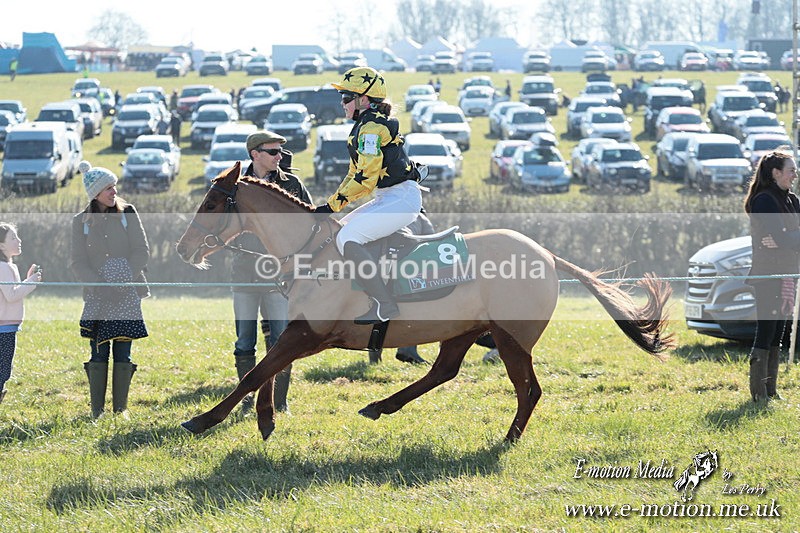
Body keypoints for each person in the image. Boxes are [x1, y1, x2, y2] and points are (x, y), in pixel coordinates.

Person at [313, 66, 424, 325]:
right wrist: (332, 205)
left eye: (346, 98)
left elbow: (365, 179)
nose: (342, 104)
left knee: (348, 237)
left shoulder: (371, 128)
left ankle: (385, 305)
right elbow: (354, 174)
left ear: (364, 100)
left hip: (401, 199)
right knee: (340, 231)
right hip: (390, 198)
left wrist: (331, 206)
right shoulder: (364, 126)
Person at [233, 130, 313, 413]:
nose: (280, 157)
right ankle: (245, 401)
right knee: (245, 342)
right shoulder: (236, 185)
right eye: (273, 152)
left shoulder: (292, 185)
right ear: (255, 154)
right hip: (244, 274)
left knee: (282, 341)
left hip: (281, 277)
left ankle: (280, 403)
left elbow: (311, 224)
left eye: (281, 151)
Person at [71, 161, 150, 418]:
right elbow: (78, 262)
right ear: (95, 193)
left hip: (127, 292)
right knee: (98, 351)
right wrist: (98, 286)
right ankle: (97, 411)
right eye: (108, 188)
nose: (114, 191)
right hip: (98, 297)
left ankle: (120, 410)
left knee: (123, 351)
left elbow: (142, 251)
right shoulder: (80, 222)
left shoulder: (128, 213)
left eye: (114, 186)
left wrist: (124, 280)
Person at [743, 150, 799, 402]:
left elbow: (787, 239)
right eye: (791, 170)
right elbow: (780, 237)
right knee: (766, 329)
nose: (795, 175)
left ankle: (771, 390)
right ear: (776, 172)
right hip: (768, 274)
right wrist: (785, 239)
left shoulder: (793, 200)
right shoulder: (764, 200)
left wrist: (787, 240)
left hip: (788, 272)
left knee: (779, 330)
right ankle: (758, 393)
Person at [0, 223, 41, 404]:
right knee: (2, 370)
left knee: (3, 370)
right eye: (13, 238)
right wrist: (30, 283)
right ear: (1, 245)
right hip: (4, 328)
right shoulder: (2, 267)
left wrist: (26, 280)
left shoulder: (8, 266)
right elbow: (11, 295)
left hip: (7, 326)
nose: (19, 240)